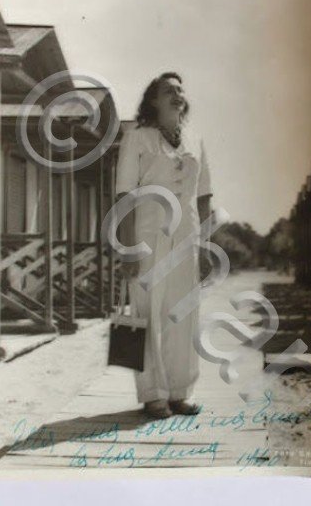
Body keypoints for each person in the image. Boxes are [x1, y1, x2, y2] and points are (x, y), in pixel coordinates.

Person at [115, 72, 213, 419]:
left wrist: (205, 246)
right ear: (153, 100)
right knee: (147, 315)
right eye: (169, 90)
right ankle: (153, 395)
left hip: (187, 239)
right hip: (147, 238)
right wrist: (127, 247)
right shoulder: (137, 137)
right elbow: (124, 196)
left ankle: (179, 392)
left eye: (180, 89)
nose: (177, 94)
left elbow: (204, 197)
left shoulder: (195, 139)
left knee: (183, 315)